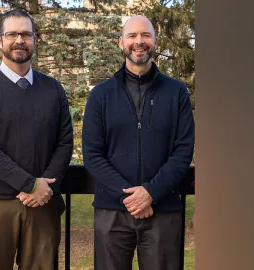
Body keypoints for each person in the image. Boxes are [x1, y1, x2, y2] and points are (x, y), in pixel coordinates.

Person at [0, 9, 73, 270]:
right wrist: (31, 184)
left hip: (43, 206)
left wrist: (44, 189)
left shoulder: (53, 88)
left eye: (26, 34)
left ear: (35, 40)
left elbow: (65, 142)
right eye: (12, 34)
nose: (19, 40)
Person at [82, 15, 195, 270]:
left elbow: (183, 151)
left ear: (156, 42)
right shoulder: (101, 95)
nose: (139, 42)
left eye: (145, 35)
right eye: (132, 36)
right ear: (121, 43)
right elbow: (92, 154)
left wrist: (151, 193)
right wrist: (129, 198)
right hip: (112, 210)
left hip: (163, 210)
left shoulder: (176, 93)